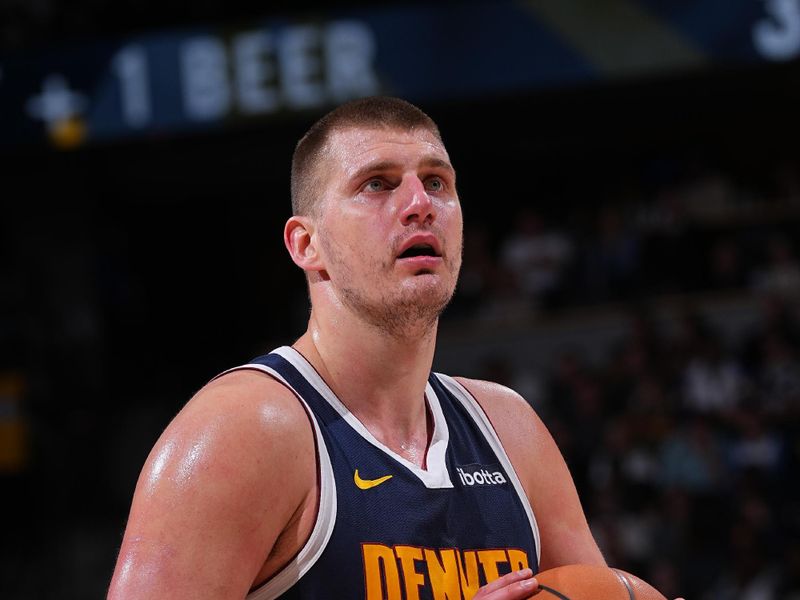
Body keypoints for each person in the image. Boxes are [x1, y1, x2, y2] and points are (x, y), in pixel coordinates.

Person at [107, 97, 606, 599]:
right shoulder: (244, 430)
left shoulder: (510, 430)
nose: (420, 204)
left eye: (436, 182)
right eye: (377, 184)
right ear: (307, 245)